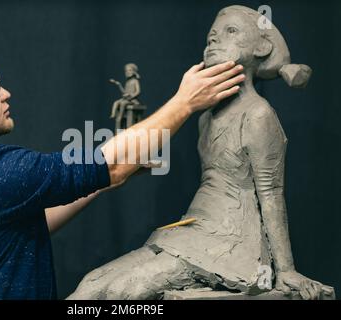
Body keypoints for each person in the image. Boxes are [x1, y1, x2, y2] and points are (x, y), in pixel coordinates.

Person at [0, 48, 244, 299]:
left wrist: (100, 183)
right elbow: (110, 164)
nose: (6, 94)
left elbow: (27, 225)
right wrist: (185, 102)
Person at [68, 5, 334, 301]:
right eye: (211, 35)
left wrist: (285, 270)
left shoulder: (258, 114)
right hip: (192, 230)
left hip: (231, 243)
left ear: (262, 47)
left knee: (125, 290)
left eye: (230, 31)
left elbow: (271, 193)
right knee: (91, 284)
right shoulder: (205, 118)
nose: (214, 40)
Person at [109, 63, 141, 130]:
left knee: (123, 104)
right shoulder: (127, 82)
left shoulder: (135, 81)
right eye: (126, 71)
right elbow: (124, 92)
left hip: (132, 100)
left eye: (129, 70)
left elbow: (138, 92)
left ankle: (120, 116)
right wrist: (119, 85)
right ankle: (113, 114)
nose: (127, 72)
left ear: (134, 71)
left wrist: (131, 95)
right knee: (116, 102)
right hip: (126, 98)